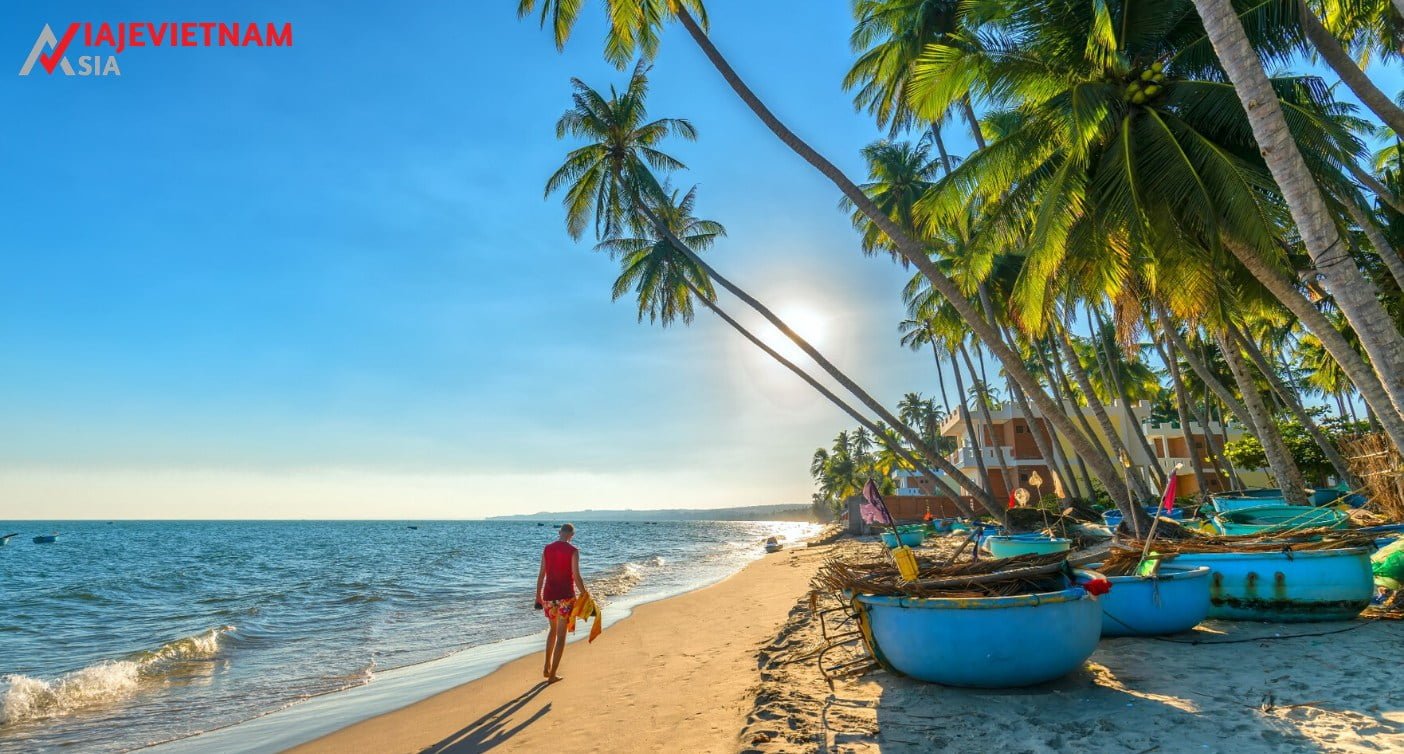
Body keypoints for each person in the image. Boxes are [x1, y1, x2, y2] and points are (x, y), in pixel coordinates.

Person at [535, 523, 588, 683]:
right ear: (572, 535)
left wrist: (538, 596)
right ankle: (552, 676)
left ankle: (546, 666)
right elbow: (576, 576)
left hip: (549, 595)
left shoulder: (547, 548)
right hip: (565, 596)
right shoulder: (573, 551)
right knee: (561, 635)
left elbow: (541, 575)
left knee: (552, 631)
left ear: (560, 532)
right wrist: (585, 594)